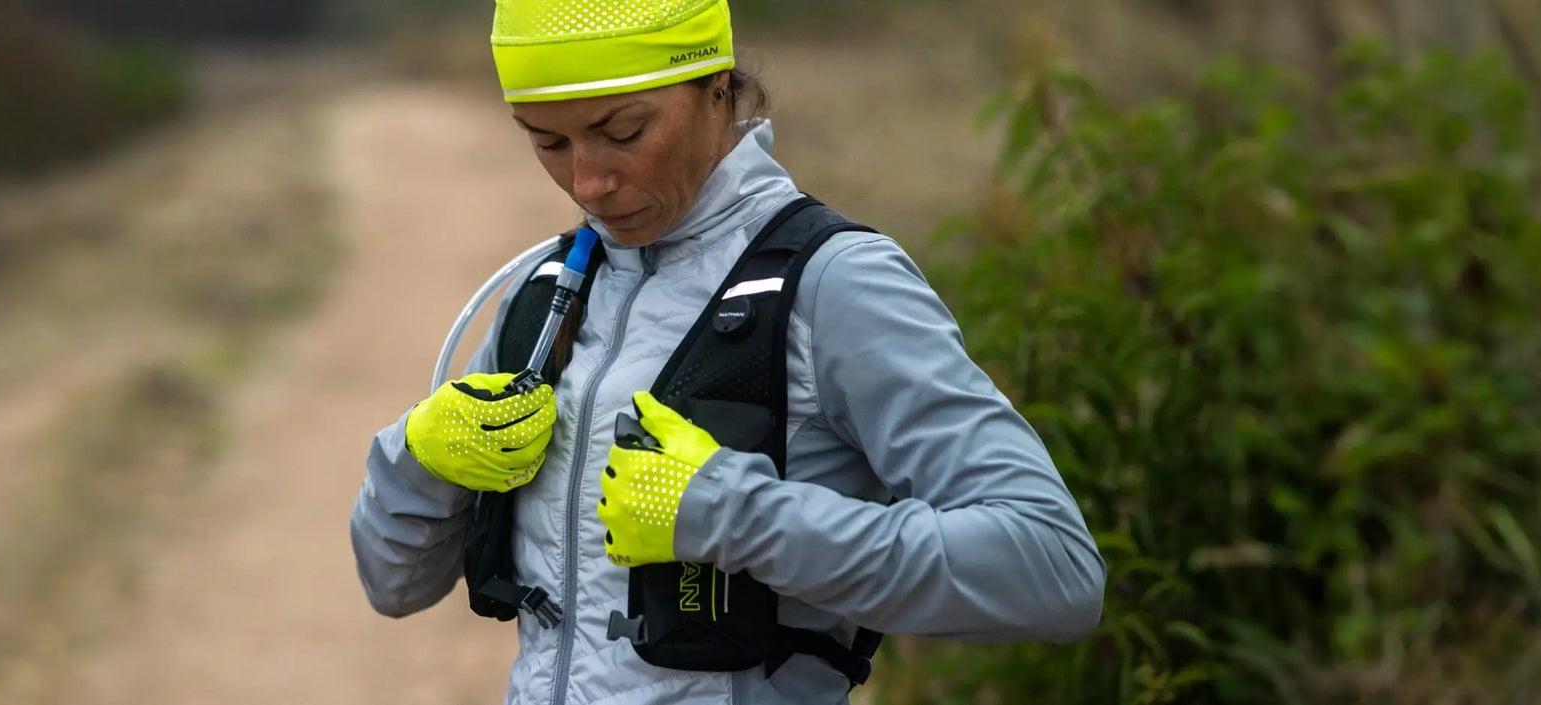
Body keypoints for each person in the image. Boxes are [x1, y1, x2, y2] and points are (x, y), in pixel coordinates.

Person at [349, 1, 1106, 702]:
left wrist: (732, 513)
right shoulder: (546, 296)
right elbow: (393, 584)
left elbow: (1052, 569)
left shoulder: (834, 283)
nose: (588, 180)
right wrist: (418, 456)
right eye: (548, 141)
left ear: (717, 87)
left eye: (623, 132)